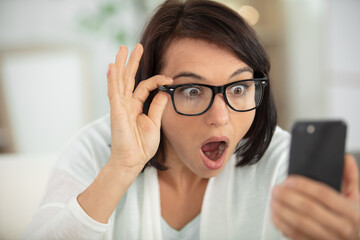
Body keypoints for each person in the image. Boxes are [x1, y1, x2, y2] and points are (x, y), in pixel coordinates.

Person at [24, 0, 360, 239]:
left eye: (239, 87)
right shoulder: (97, 149)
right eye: (192, 90)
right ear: (152, 94)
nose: (220, 117)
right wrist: (121, 169)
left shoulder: (281, 162)